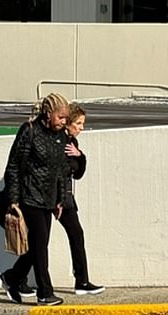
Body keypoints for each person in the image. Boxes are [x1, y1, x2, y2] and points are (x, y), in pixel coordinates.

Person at [0, 92, 70, 306]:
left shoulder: (61, 136)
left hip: (48, 199)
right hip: (28, 197)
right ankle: (45, 293)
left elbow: (61, 170)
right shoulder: (29, 131)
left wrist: (61, 199)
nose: (64, 122)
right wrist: (13, 200)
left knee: (38, 245)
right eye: (61, 117)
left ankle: (12, 277)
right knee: (40, 246)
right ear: (48, 113)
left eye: (66, 118)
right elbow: (13, 167)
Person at [59, 103, 105, 295]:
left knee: (77, 235)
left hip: (66, 198)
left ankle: (82, 281)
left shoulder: (72, 143)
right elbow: (57, 172)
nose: (81, 128)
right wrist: (58, 201)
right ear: (68, 123)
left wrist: (80, 156)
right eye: (78, 123)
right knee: (38, 240)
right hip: (52, 198)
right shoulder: (57, 141)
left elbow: (77, 174)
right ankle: (14, 277)